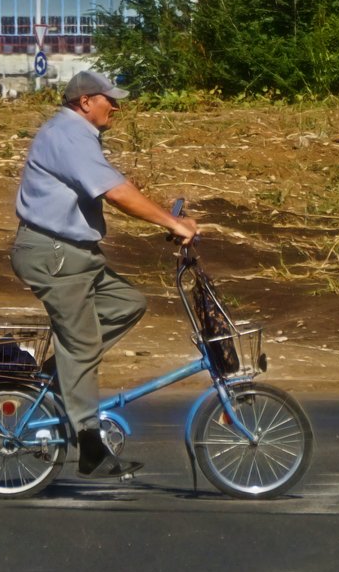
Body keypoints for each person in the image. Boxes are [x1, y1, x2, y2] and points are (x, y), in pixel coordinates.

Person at [10, 70, 199, 480]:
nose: (116, 106)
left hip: (76, 254)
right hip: (55, 254)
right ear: (85, 102)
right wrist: (171, 222)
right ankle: (89, 444)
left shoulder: (76, 134)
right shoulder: (69, 135)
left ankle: (61, 378)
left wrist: (169, 219)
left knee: (128, 303)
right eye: (109, 99)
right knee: (80, 343)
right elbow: (115, 191)